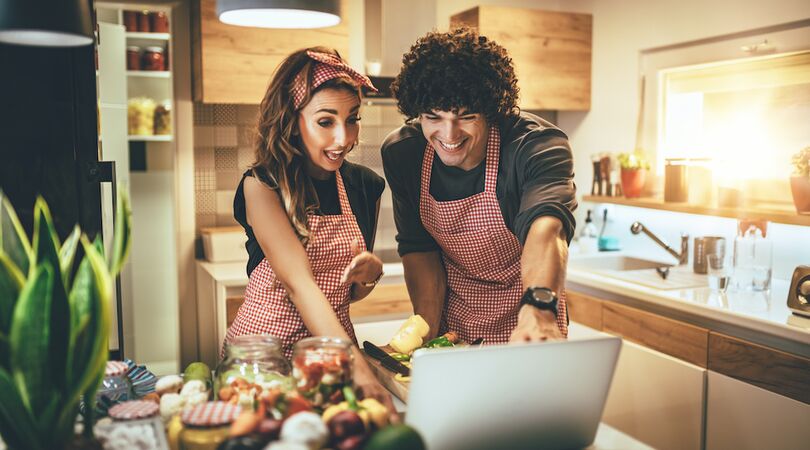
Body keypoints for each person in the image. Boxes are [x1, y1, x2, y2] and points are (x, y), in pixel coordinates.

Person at [224, 47, 395, 412]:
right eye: (325, 121)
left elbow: (343, 296)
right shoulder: (263, 185)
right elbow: (298, 285)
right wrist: (359, 369)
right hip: (263, 358)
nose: (342, 138)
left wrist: (370, 276)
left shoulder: (365, 185)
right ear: (292, 119)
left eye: (352, 119)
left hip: (330, 358)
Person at [382, 28, 578, 345]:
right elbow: (419, 249)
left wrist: (539, 311)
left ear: (491, 109)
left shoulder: (536, 146)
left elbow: (547, 230)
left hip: (529, 322)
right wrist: (426, 331)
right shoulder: (403, 153)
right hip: (454, 325)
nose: (449, 133)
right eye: (433, 117)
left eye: (466, 116)